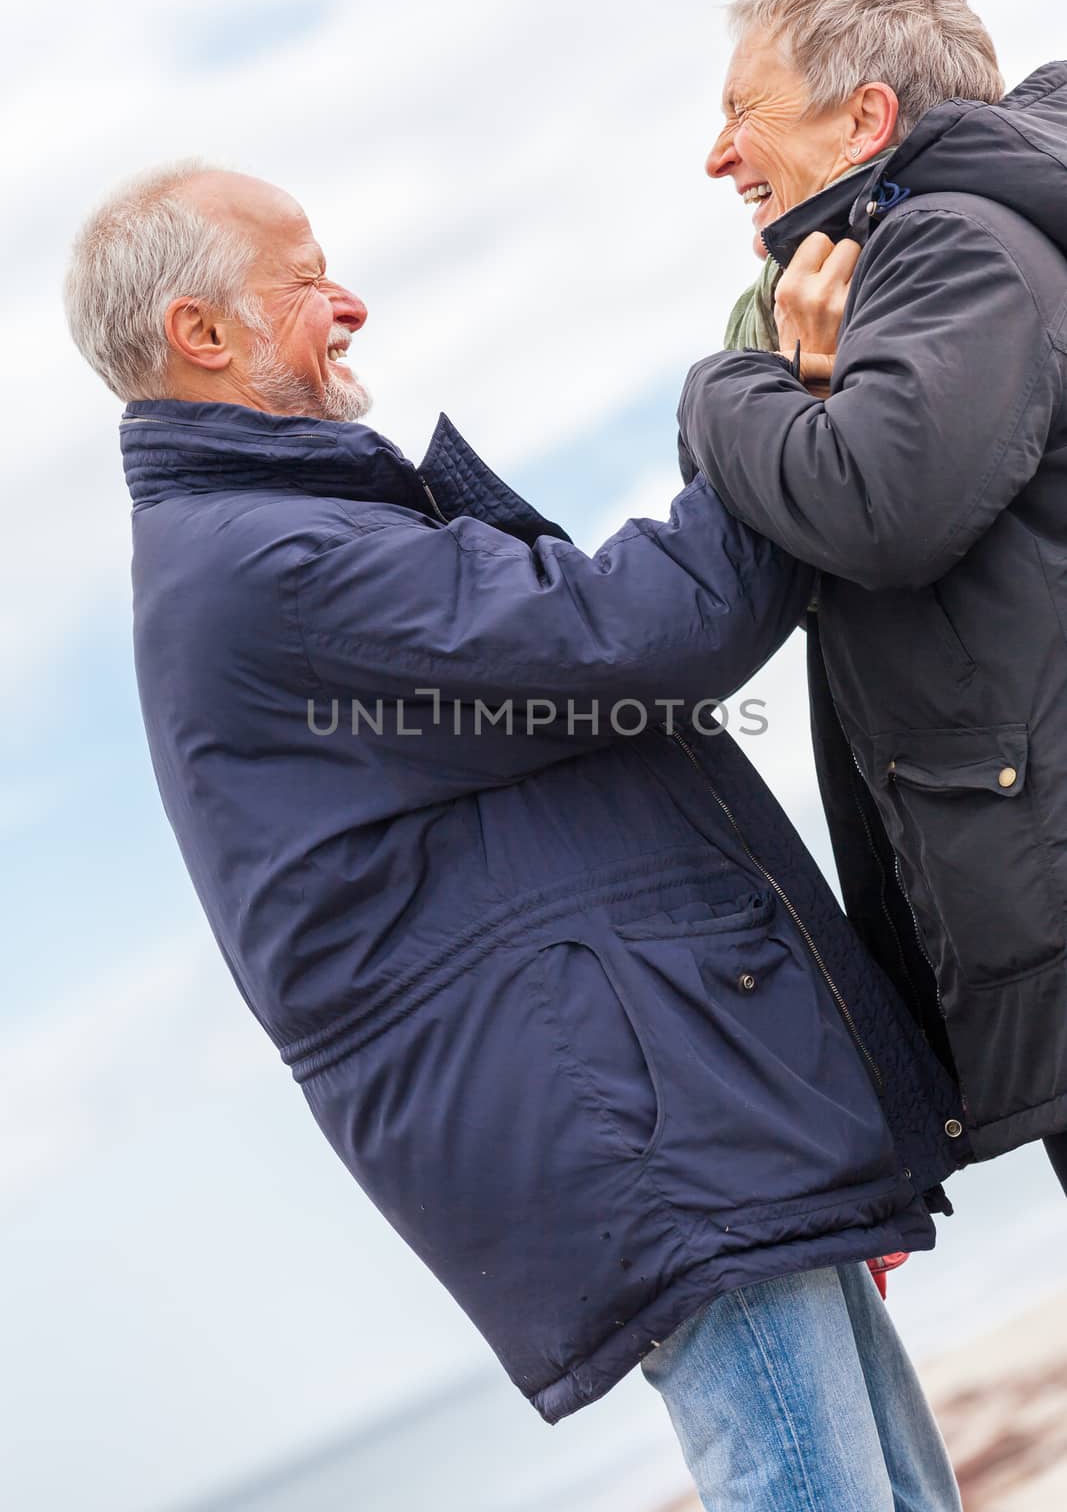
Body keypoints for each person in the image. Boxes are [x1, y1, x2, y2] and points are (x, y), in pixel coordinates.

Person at [65, 160, 964, 1509]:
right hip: (644, 1120)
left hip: (674, 1095)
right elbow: (631, 634)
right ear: (201, 335)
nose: (348, 302)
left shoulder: (269, 540)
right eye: (305, 281)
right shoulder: (267, 564)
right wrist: (775, 394)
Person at [679, 0, 1067, 1195]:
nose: (717, 153)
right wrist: (806, 390)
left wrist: (728, 388)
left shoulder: (951, 241)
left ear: (865, 118)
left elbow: (877, 505)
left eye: (743, 110)